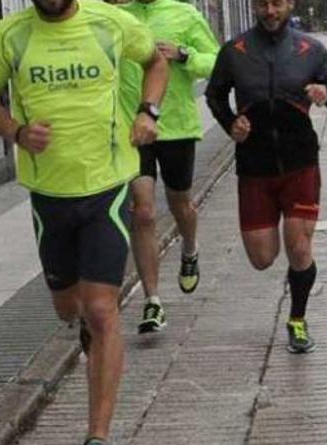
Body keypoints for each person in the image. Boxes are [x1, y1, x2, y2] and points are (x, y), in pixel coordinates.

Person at [0, 0, 168, 445]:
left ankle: (97, 443)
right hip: (49, 194)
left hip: (107, 184)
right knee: (69, 308)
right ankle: (87, 331)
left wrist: (148, 111)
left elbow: (156, 62)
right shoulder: (8, 35)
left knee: (103, 310)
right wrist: (16, 131)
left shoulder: (110, 23)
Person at [204, 0, 327, 354]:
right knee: (262, 258)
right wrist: (230, 123)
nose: (270, 11)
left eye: (277, 3)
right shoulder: (235, 51)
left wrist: (326, 93)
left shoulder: (310, 50)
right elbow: (214, 95)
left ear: (290, 4)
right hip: (254, 167)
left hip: (300, 163)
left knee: (299, 247)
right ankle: (293, 286)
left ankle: (298, 320)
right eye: (262, 4)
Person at [116, 0, 220, 334]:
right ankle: (153, 301)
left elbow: (217, 62)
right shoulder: (115, 16)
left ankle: (189, 248)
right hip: (133, 129)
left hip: (176, 127)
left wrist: (186, 54)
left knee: (180, 204)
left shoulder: (184, 13)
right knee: (142, 210)